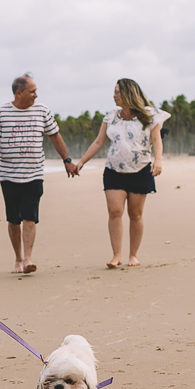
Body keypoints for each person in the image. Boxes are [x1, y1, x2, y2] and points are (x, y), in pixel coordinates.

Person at [0, 74, 79, 274]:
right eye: (32, 91)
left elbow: (55, 137)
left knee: (29, 216)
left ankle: (28, 259)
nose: (36, 95)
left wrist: (67, 160)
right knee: (13, 219)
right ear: (19, 93)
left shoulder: (42, 111)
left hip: (34, 173)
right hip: (9, 176)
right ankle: (18, 259)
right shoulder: (1, 112)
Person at [76, 78, 169, 268]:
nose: (114, 95)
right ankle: (116, 255)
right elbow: (98, 142)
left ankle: (133, 255)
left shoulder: (149, 115)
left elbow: (156, 140)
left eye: (117, 92)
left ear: (128, 93)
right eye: (114, 91)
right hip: (114, 170)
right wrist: (82, 162)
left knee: (135, 214)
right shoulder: (111, 116)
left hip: (140, 170)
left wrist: (158, 160)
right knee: (115, 211)